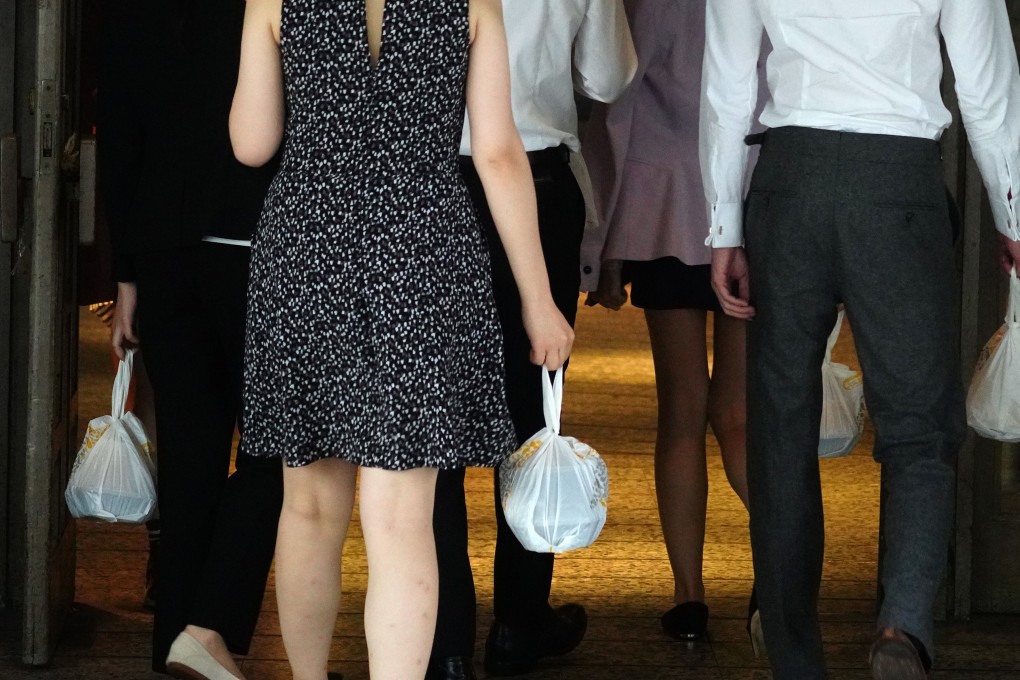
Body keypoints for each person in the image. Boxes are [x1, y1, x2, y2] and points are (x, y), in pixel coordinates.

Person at [229, 0, 575, 678]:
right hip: (422, 251)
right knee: (402, 521)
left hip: (309, 249)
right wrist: (539, 301)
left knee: (309, 509)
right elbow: (498, 154)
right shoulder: (471, 4)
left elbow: (252, 143)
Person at [700, 1, 1020, 679]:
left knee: (781, 431)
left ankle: (795, 660)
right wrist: (1012, 212)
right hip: (897, 181)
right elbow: (985, 87)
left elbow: (727, 83)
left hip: (789, 181)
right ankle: (902, 626)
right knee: (919, 426)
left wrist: (724, 225)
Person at [427, 3, 635, 679]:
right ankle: (518, 623)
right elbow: (609, 75)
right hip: (536, 182)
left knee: (434, 424)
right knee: (532, 412)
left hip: (429, 189)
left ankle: (444, 641)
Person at [98, 1, 284, 678]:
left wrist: (125, 277)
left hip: (163, 250)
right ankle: (208, 628)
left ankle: (176, 640)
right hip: (255, 243)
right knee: (278, 451)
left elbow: (121, 141)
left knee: (189, 459)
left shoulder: (133, 12)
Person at [582, 0, 762, 645]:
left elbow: (619, 102)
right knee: (738, 413)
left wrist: (604, 243)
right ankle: (778, 568)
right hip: (754, 197)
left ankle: (689, 598)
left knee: (681, 410)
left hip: (666, 204)